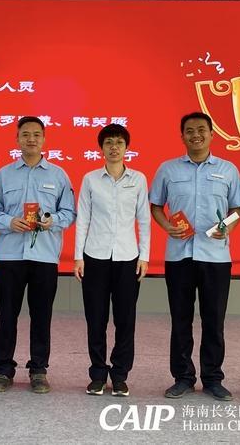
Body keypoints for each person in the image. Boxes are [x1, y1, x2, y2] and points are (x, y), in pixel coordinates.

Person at [149, 112, 240, 401]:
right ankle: (183, 377)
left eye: (202, 129)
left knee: (213, 321)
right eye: (190, 130)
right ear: (182, 136)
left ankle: (213, 379)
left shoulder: (228, 170)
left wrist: (226, 227)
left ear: (212, 134)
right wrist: (166, 225)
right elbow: (156, 206)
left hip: (215, 257)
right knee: (181, 320)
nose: (196, 135)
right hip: (179, 256)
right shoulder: (168, 169)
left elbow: (237, 210)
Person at [0, 116, 76, 394]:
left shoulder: (58, 175)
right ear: (17, 139)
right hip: (10, 256)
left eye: (36, 134)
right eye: (25, 134)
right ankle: (3, 370)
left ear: (44, 139)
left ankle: (38, 369)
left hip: (44, 256)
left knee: (41, 315)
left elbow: (69, 212)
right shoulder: (3, 175)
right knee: (7, 315)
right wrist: (9, 222)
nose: (31, 139)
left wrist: (52, 221)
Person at [73, 124, 150, 397]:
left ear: (127, 147)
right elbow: (83, 219)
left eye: (119, 142)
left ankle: (119, 375)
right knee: (96, 319)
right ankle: (97, 374)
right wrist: (78, 256)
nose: (114, 147)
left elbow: (144, 219)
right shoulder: (91, 179)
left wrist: (145, 256)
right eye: (108, 143)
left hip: (128, 258)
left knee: (125, 320)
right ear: (101, 148)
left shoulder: (138, 179)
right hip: (95, 257)